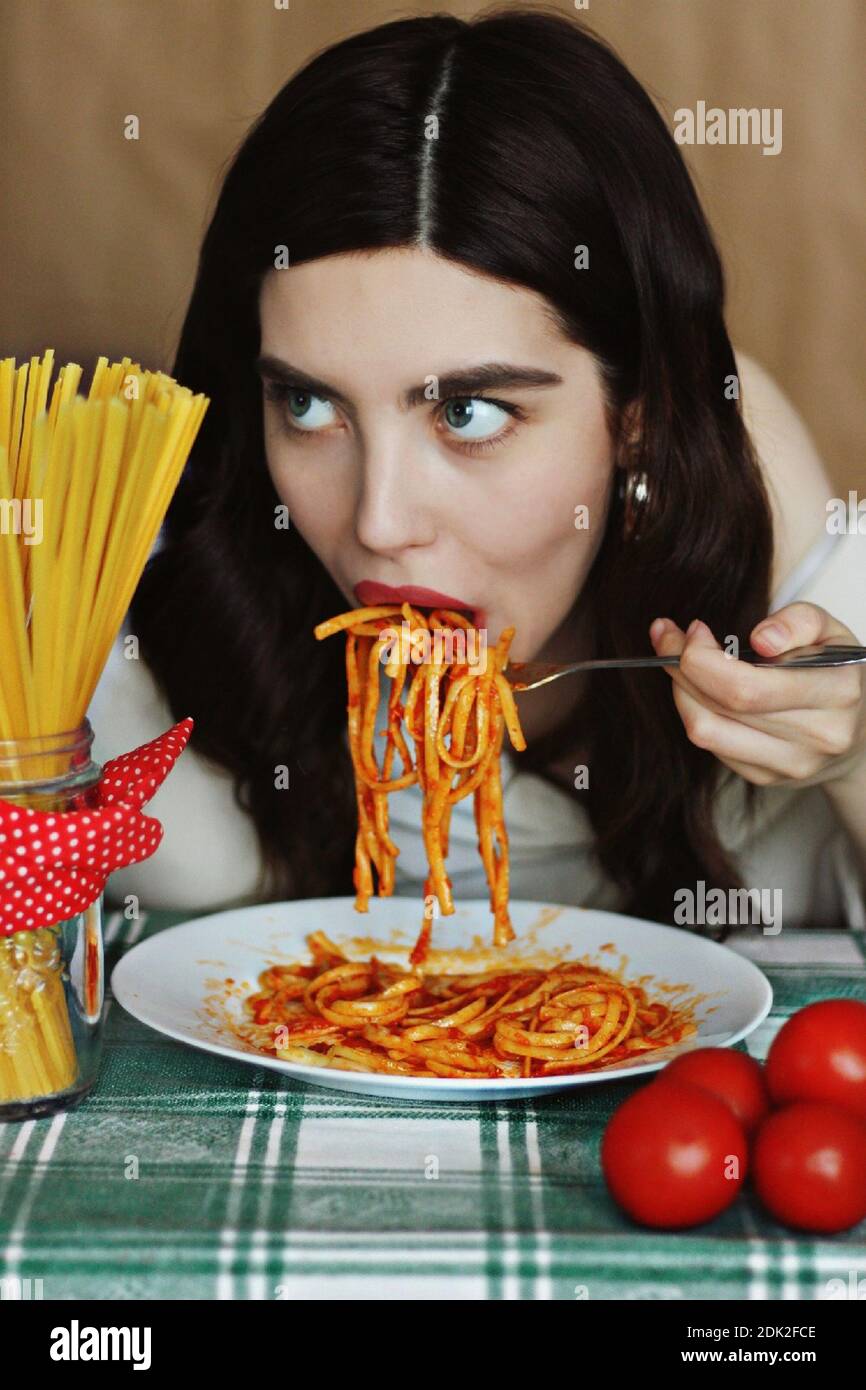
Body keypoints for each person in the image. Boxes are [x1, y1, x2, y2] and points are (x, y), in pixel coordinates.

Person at [89, 7, 866, 933]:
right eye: (308, 405)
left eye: (467, 414)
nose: (378, 521)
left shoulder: (797, 592)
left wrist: (854, 765)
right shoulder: (136, 635)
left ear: (639, 424)